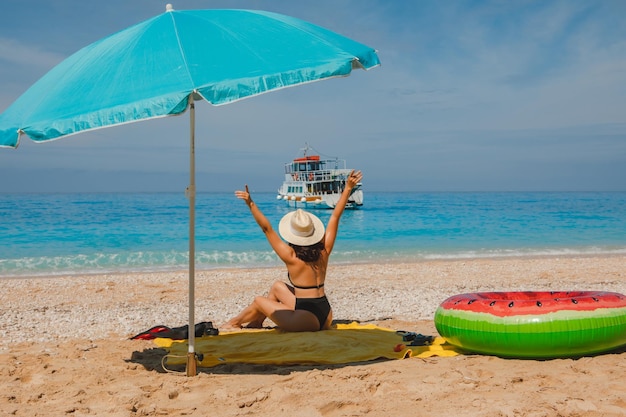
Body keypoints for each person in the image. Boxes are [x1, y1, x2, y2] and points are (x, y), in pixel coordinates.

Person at [223, 170, 363, 332]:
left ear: (293, 236)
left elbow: (267, 229)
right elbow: (335, 217)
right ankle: (257, 323)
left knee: (259, 301)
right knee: (277, 286)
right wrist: (347, 188)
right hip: (326, 314)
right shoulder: (324, 250)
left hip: (305, 319)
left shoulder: (290, 256)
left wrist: (251, 203)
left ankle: (233, 323)